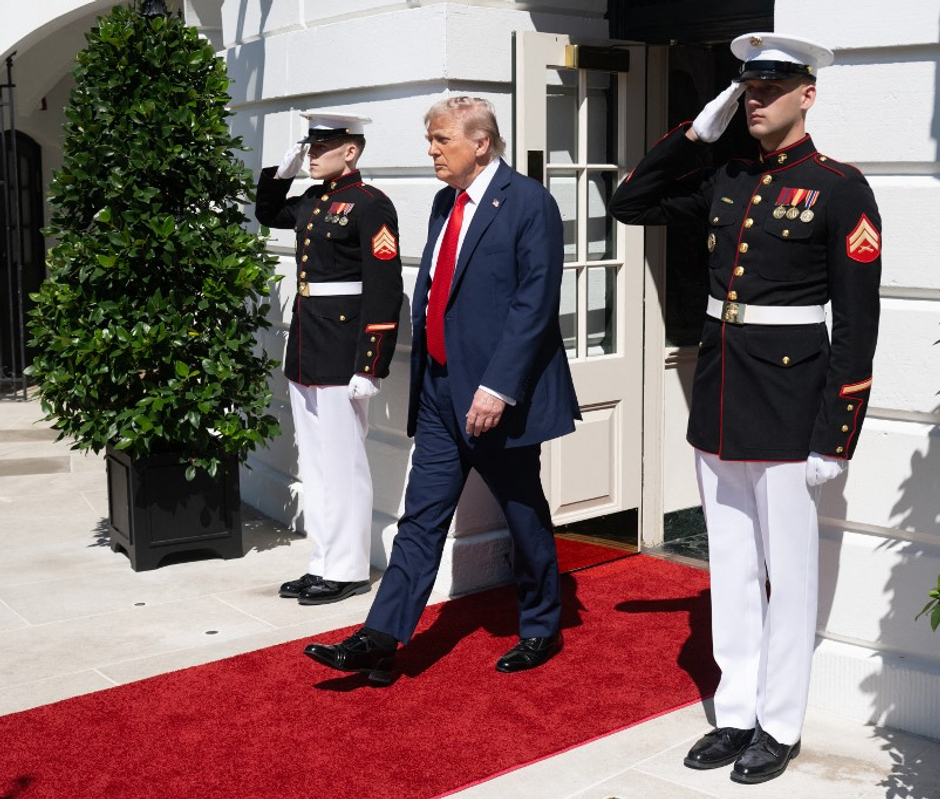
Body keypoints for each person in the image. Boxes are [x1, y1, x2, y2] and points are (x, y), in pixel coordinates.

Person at [610, 33, 882, 785]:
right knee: (728, 565)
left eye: (771, 87)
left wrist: (838, 433)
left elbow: (858, 324)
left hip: (794, 406)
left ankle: (779, 720)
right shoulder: (725, 176)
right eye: (748, 88)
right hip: (721, 396)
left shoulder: (839, 188)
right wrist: (698, 130)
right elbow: (628, 199)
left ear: (808, 93)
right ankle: (735, 710)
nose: (756, 98)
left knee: (787, 573)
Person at [304, 97, 580, 679]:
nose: (431, 150)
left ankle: (540, 625)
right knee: (421, 516)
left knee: (522, 510)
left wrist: (499, 387)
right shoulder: (442, 202)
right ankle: (381, 635)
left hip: (496, 396)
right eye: (430, 139)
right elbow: (438, 292)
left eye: (441, 140)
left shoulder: (530, 203)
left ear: (480, 143)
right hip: (439, 390)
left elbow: (534, 306)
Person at [255, 112, 404, 605]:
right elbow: (267, 213)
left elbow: (384, 290)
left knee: (343, 464)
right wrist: (283, 171)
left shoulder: (369, 205)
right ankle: (322, 560)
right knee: (316, 465)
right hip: (308, 345)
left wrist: (370, 364)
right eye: (309, 149)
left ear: (351, 152)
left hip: (343, 353)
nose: (312, 155)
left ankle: (348, 568)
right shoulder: (314, 201)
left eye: (321, 149)